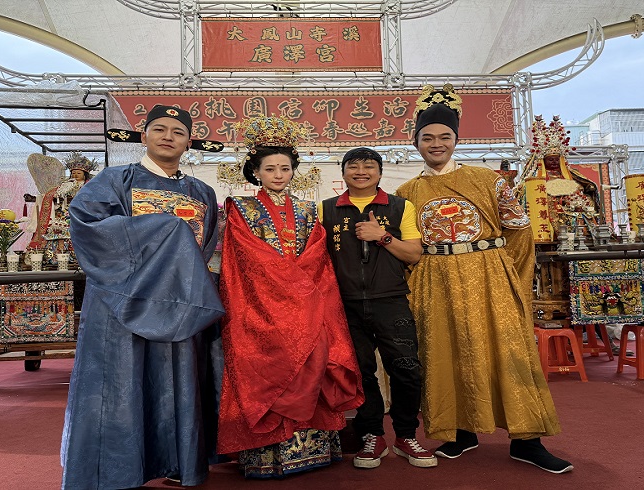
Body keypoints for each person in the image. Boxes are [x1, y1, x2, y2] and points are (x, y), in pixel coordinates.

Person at [395, 84, 572, 473]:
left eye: (444, 136)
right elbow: (406, 246)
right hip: (434, 282)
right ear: (415, 142)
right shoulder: (405, 192)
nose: (436, 144)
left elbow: (519, 233)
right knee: (445, 354)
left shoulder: (489, 180)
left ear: (456, 140)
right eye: (428, 137)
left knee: (510, 354)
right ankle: (460, 432)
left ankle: (527, 440)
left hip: (489, 278)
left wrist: (509, 278)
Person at [61, 104, 226, 489]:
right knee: (122, 384)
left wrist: (181, 276)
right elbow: (88, 227)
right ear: (145, 135)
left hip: (179, 301)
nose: (168, 137)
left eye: (178, 132)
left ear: (188, 142)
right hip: (122, 302)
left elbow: (205, 247)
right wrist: (167, 230)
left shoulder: (201, 191)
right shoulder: (114, 180)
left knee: (178, 383)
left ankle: (178, 462)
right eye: (160, 129)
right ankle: (115, 471)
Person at [217, 115, 364, 479]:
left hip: (307, 304)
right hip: (261, 305)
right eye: (270, 169)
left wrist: (299, 290)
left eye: (285, 168)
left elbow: (317, 256)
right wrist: (288, 286)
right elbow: (246, 258)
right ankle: (266, 456)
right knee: (267, 370)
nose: (279, 175)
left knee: (312, 366)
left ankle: (313, 451)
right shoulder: (241, 208)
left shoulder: (308, 209)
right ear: (255, 172)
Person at [318, 147, 435, 469]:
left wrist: (382, 236)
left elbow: (414, 254)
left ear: (380, 173)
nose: (361, 172)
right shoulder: (325, 209)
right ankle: (372, 435)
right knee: (360, 372)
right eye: (353, 166)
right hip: (344, 304)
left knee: (406, 368)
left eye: (369, 166)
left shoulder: (400, 207)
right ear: (343, 173)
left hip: (391, 300)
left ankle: (406, 435)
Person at [27, 152, 97, 266]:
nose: (75, 176)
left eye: (78, 173)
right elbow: (50, 196)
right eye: (73, 173)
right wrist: (36, 198)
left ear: (85, 175)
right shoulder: (63, 186)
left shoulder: (90, 188)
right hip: (63, 216)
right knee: (55, 230)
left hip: (83, 216)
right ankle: (55, 256)